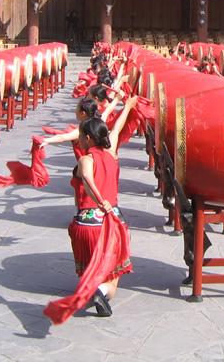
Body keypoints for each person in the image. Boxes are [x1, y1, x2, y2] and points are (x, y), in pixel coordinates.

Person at [67, 96, 137, 317]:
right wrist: (128, 106)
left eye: (80, 136)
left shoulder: (85, 160)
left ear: (88, 138)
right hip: (110, 225)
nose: (78, 139)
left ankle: (93, 288)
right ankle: (103, 291)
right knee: (112, 278)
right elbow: (116, 129)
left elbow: (87, 179)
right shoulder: (111, 152)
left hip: (84, 227)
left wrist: (96, 199)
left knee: (90, 271)